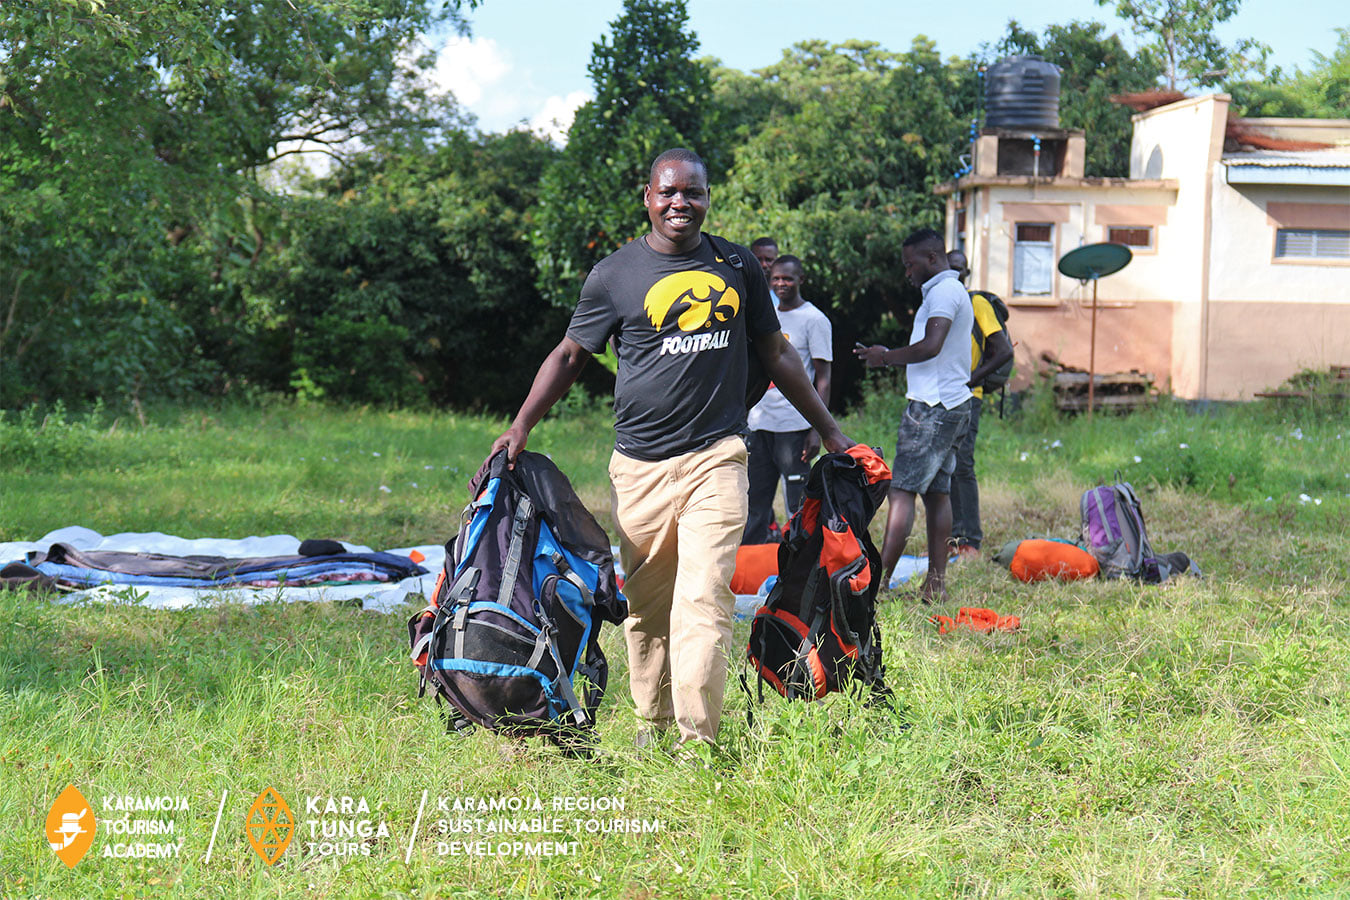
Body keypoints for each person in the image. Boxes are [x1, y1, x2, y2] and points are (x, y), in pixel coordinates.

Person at [490, 148, 852, 748]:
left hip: (719, 456)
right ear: (649, 198)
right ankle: (650, 727)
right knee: (648, 612)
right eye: (669, 192)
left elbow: (776, 353)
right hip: (640, 468)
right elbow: (570, 355)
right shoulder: (615, 275)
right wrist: (521, 424)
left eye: (694, 192)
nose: (681, 202)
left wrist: (831, 429)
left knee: (705, 600)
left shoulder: (738, 265)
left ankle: (696, 742)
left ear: (708, 197)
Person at [853, 229, 973, 603]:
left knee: (902, 493)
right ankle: (935, 584)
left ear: (933, 259)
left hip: (932, 408)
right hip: (951, 405)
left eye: (911, 264)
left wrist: (885, 357)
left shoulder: (944, 292)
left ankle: (878, 584)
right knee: (937, 494)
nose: (907, 272)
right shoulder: (948, 291)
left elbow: (931, 347)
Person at [741, 255, 833, 544]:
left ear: (801, 280)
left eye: (788, 278)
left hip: (794, 426)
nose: (781, 283)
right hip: (758, 424)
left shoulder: (814, 319)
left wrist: (816, 428)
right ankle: (748, 571)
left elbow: (824, 377)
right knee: (753, 503)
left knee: (798, 506)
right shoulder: (765, 314)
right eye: (777, 278)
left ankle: (800, 567)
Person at [947, 249, 1014, 560]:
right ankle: (951, 537)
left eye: (959, 269)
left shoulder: (976, 303)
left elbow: (1003, 350)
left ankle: (969, 539)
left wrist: (971, 380)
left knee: (962, 466)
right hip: (942, 397)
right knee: (945, 468)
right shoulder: (942, 303)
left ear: (967, 274)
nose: (954, 275)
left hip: (968, 398)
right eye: (949, 269)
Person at [750, 237, 779, 307]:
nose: (764, 265)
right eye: (758, 259)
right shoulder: (743, 292)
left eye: (768, 260)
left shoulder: (786, 296)